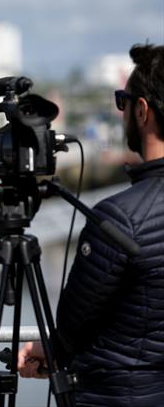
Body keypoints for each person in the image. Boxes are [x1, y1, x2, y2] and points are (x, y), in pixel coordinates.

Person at [18, 43, 164, 405]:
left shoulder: (119, 218)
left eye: (122, 100)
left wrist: (45, 349)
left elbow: (72, 328)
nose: (122, 111)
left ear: (142, 110)